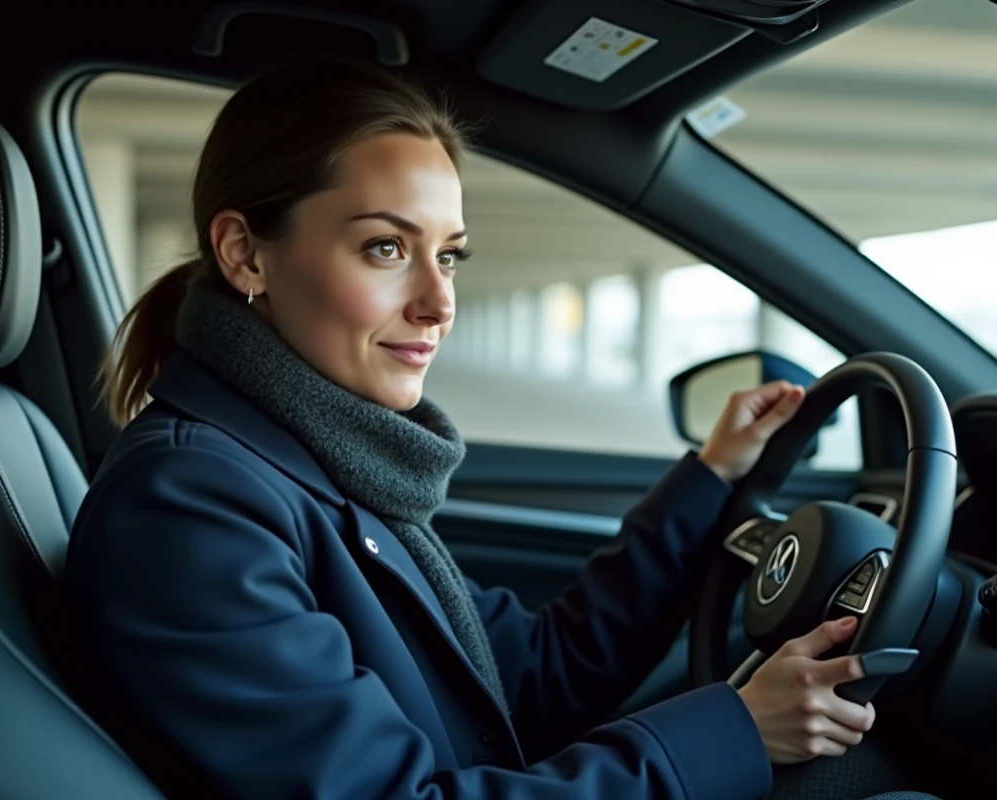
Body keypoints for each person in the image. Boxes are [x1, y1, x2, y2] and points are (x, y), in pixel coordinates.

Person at [64, 60, 938, 800]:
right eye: (384, 248)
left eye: (447, 254)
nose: (439, 302)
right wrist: (736, 733)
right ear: (246, 254)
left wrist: (712, 475)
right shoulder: (190, 506)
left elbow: (531, 676)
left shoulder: (321, 465)